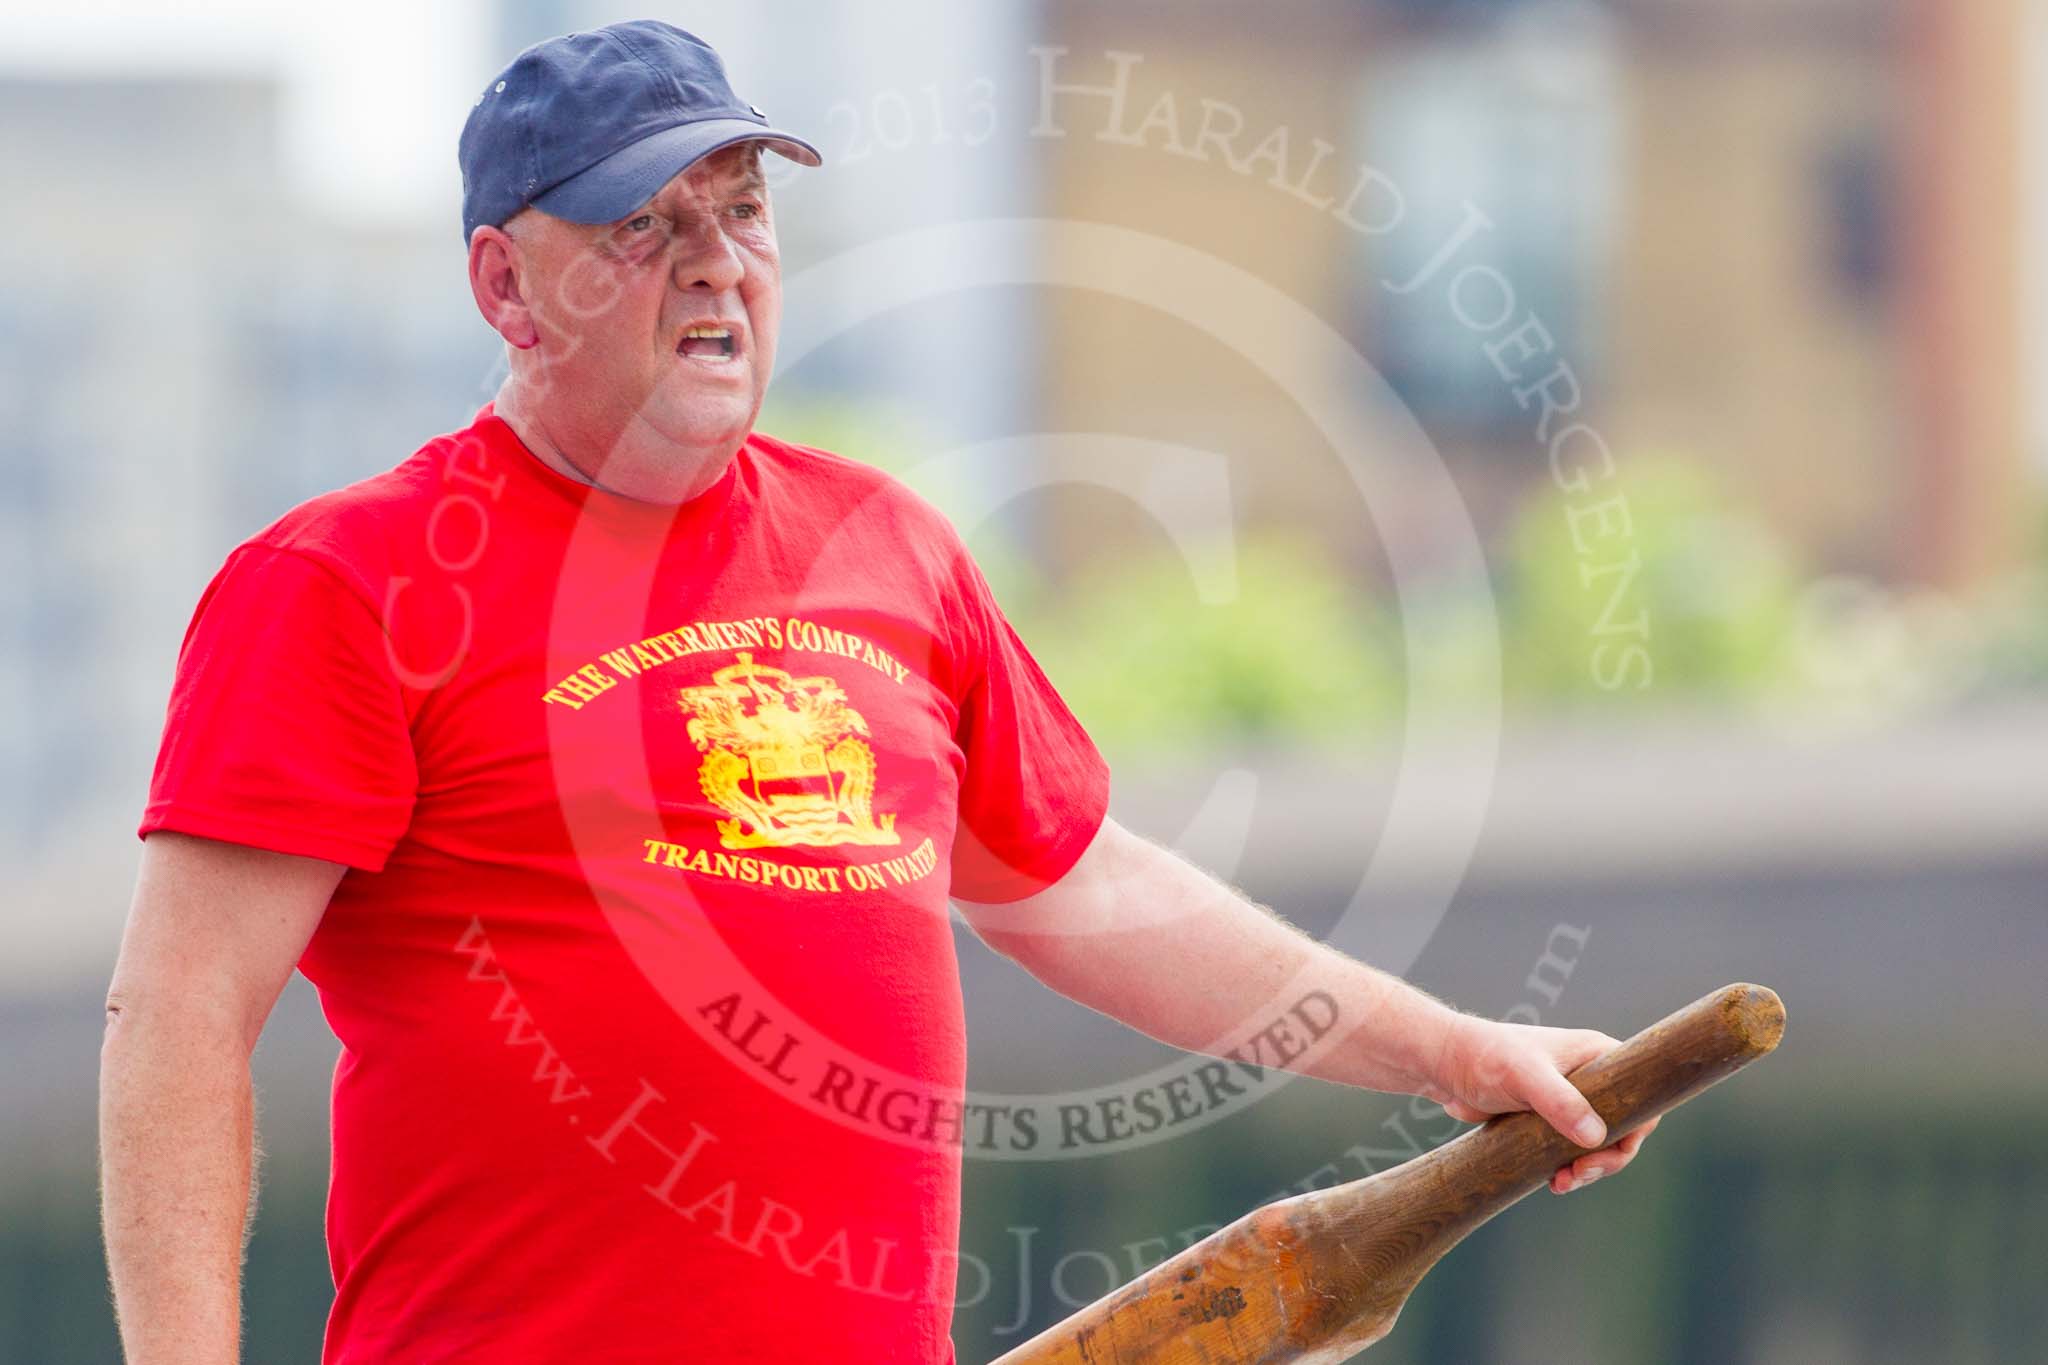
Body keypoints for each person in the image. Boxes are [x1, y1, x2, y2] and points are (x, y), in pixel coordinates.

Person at [98, 20, 1655, 1365]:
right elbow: (177, 1016)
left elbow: (1082, 886)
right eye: (644, 225)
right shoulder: (342, 582)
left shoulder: (886, 544)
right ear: (505, 286)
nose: (717, 260)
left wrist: (1454, 1049)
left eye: (745, 209)